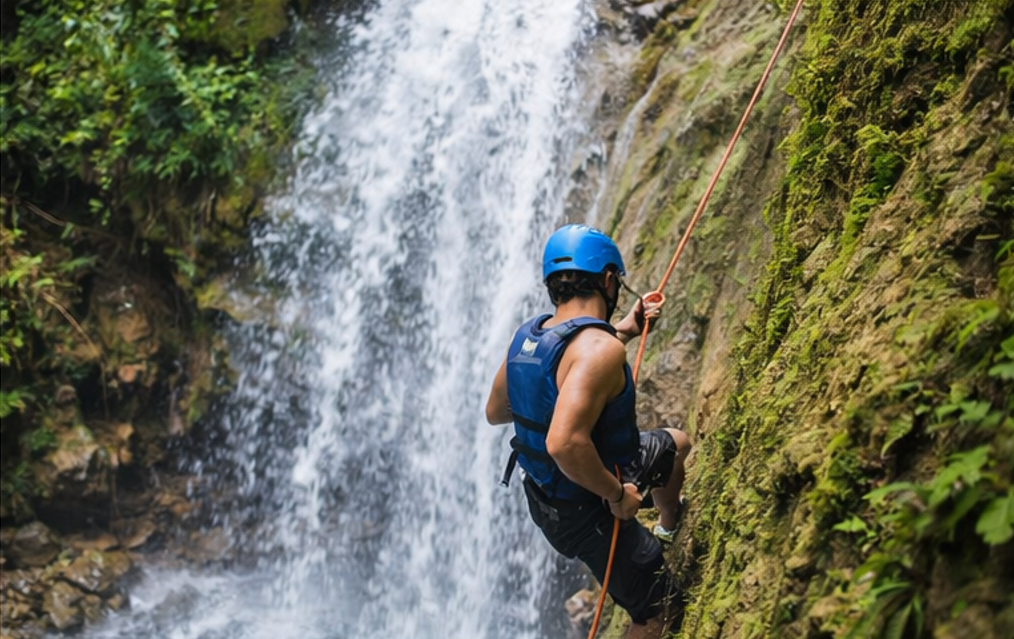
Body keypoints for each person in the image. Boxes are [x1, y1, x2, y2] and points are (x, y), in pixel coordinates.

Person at [485, 224, 692, 639]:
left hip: (547, 499)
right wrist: (619, 497)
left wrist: (626, 331)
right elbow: (563, 442)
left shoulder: (529, 337)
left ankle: (668, 523)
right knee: (658, 613)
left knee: (676, 444)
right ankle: (645, 521)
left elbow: (495, 412)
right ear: (610, 280)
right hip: (591, 504)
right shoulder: (599, 350)